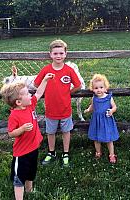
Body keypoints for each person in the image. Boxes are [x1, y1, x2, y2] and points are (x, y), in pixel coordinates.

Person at [0, 73, 54, 200]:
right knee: (19, 177)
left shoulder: (30, 105)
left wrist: (45, 80)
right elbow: (11, 133)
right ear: (18, 102)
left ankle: (29, 190)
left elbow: (39, 93)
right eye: (27, 94)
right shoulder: (14, 116)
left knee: (31, 172)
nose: (31, 95)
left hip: (33, 148)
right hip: (22, 152)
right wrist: (22, 129)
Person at [34, 39, 82, 167]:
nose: (58, 56)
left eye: (61, 53)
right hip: (50, 109)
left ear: (66, 54)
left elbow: (78, 85)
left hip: (65, 109)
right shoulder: (46, 70)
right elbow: (36, 83)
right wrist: (45, 87)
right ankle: (51, 152)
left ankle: (65, 153)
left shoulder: (69, 70)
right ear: (50, 54)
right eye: (55, 53)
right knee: (51, 132)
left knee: (66, 131)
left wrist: (68, 93)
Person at [84, 74, 119, 164]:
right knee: (96, 138)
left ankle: (112, 154)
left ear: (105, 88)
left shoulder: (108, 97)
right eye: (96, 88)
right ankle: (98, 152)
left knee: (109, 139)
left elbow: (114, 107)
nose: (99, 90)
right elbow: (92, 106)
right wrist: (88, 110)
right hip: (96, 121)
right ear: (93, 89)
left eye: (101, 87)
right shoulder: (94, 98)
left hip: (106, 120)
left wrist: (112, 111)